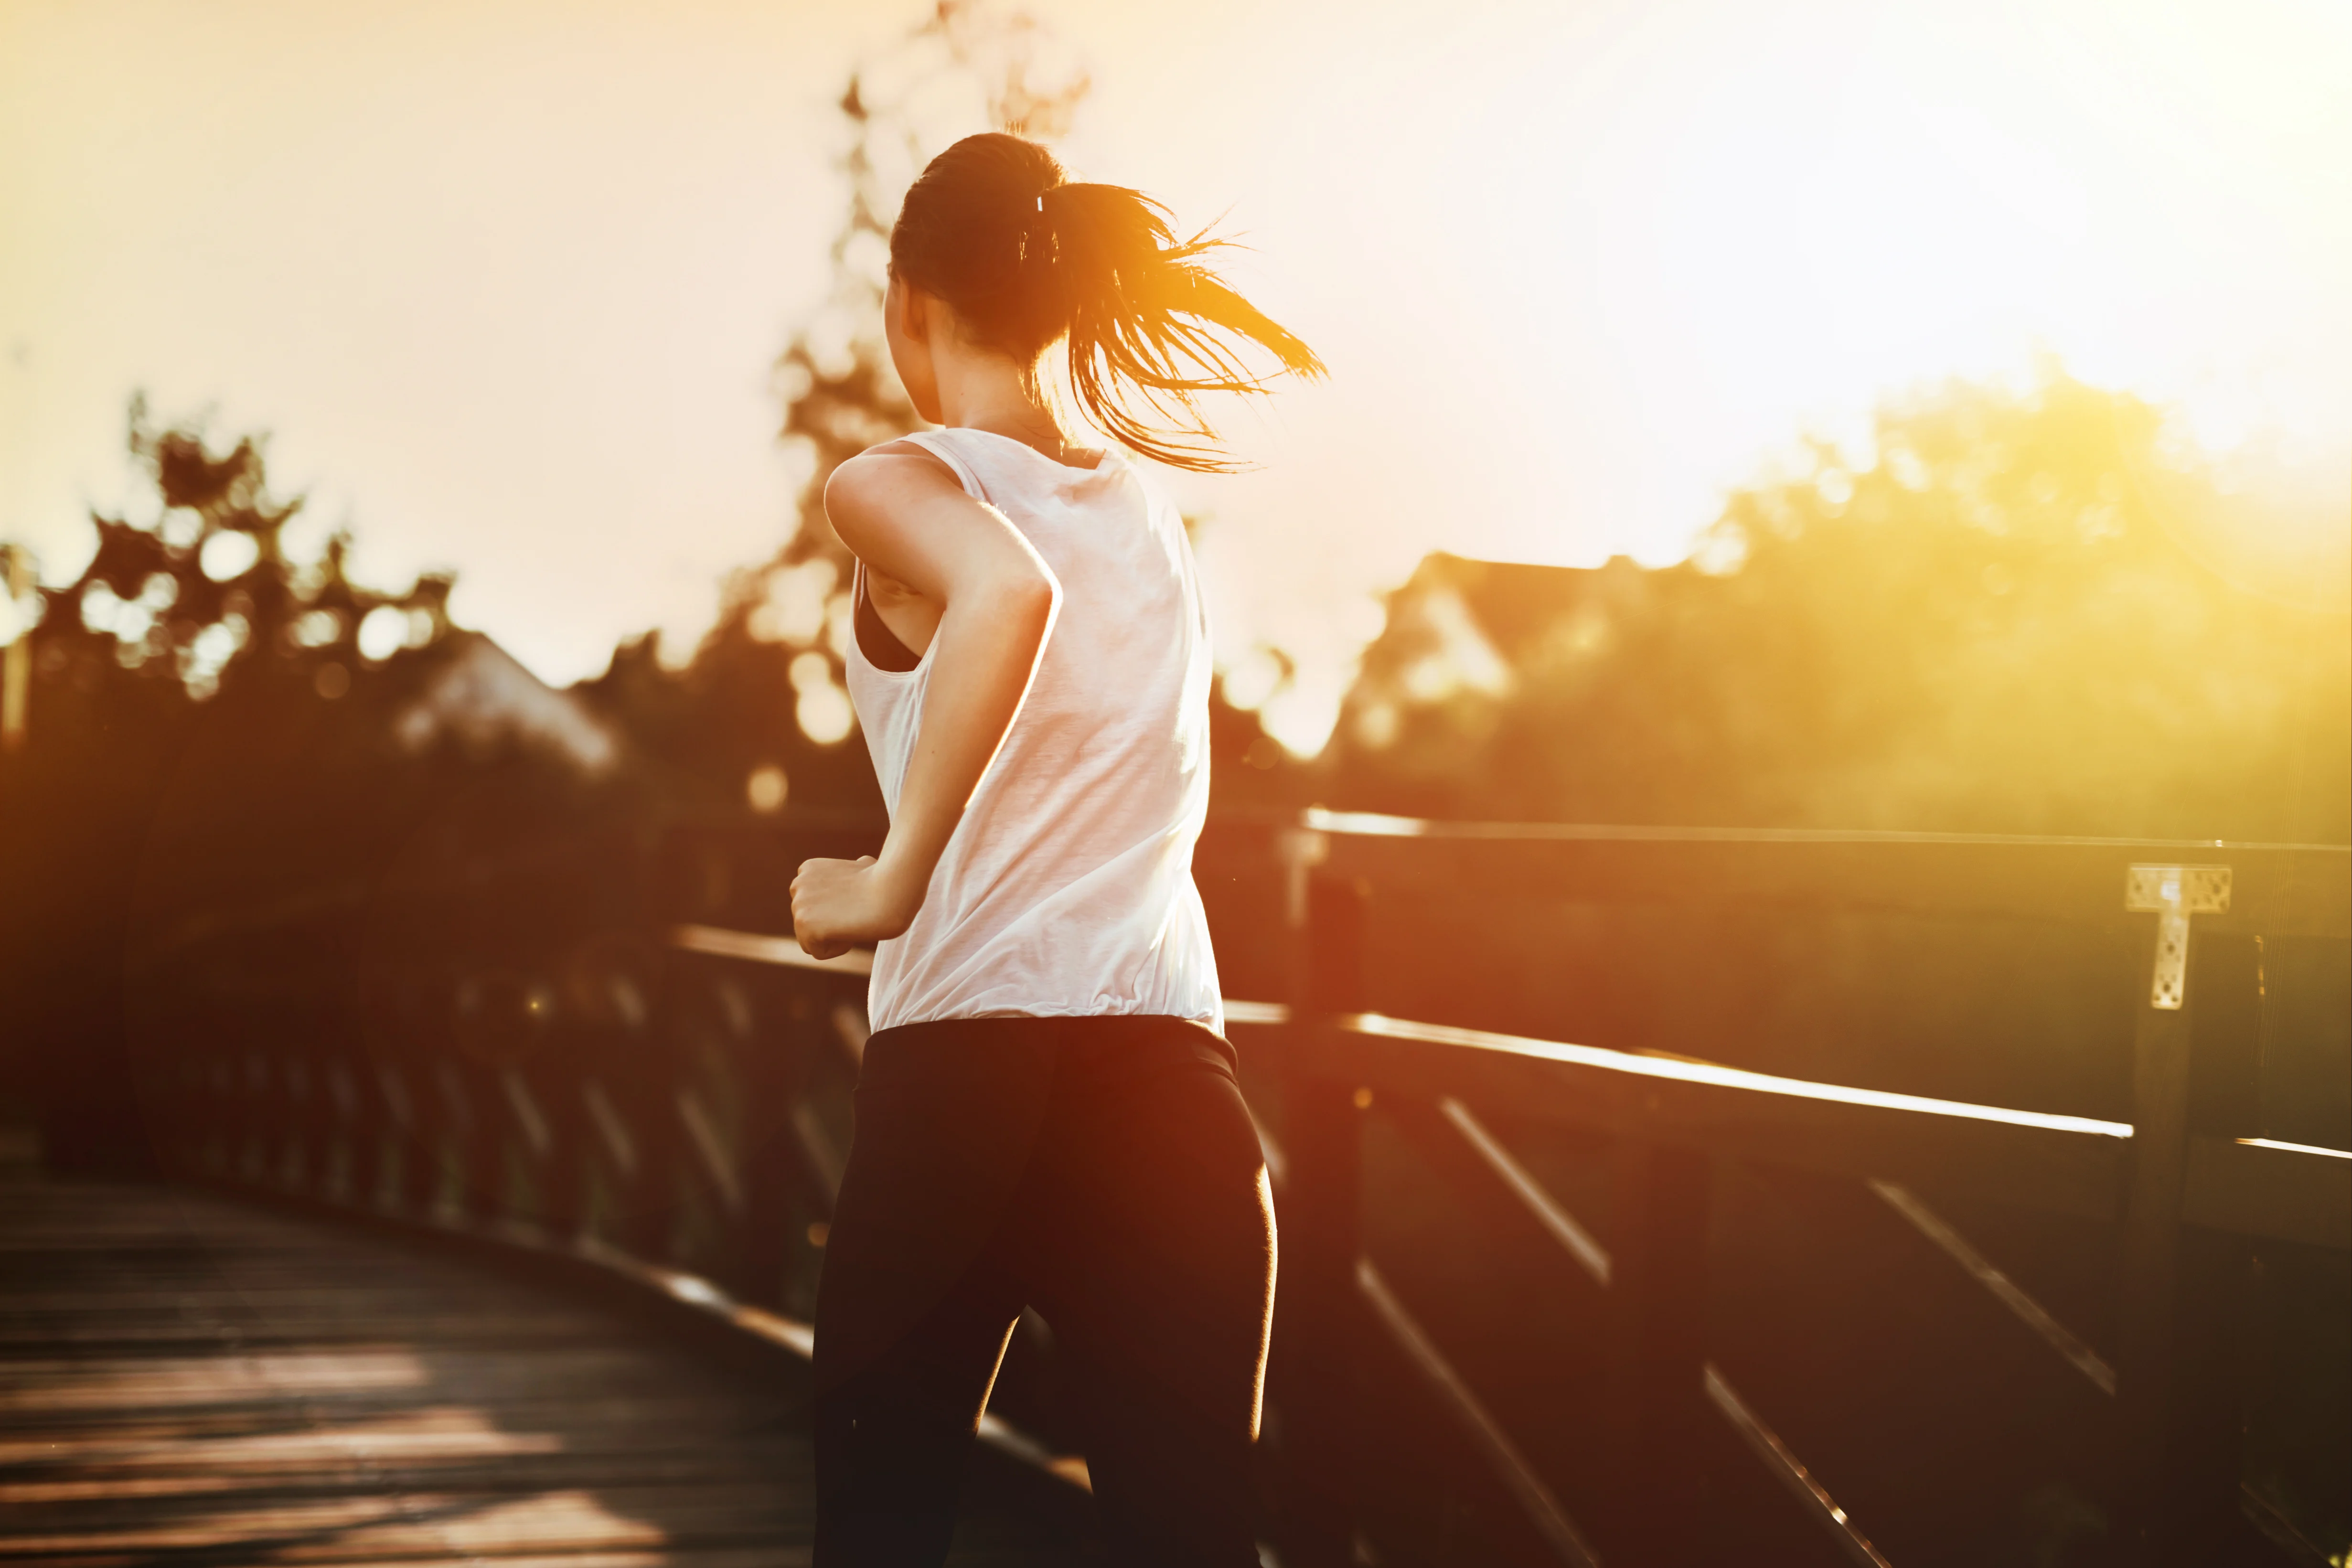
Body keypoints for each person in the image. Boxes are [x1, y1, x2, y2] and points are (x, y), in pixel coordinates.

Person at [788, 130, 1322, 1567]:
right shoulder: (1146, 517)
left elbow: (1001, 594)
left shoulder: (890, 485)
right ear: (1067, 308)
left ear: (907, 302)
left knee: (879, 1540)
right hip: (1170, 1093)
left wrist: (883, 881)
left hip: (966, 1072)